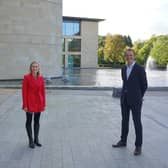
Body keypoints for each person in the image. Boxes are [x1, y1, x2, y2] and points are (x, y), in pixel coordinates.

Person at [112, 48, 148, 155]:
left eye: (131, 55)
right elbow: (125, 83)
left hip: (136, 101)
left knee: (137, 122)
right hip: (125, 100)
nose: (129, 57)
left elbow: (144, 85)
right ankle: (123, 141)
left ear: (134, 56)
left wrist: (138, 96)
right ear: (125, 57)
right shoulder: (123, 68)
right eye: (127, 55)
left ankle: (138, 146)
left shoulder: (139, 69)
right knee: (124, 121)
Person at [22, 61, 46, 148]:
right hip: (29, 102)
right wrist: (25, 105)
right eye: (33, 66)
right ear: (30, 68)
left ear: (38, 68)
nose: (35, 68)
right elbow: (24, 92)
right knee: (29, 121)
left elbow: (43, 91)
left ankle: (36, 139)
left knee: (37, 121)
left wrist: (43, 103)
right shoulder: (26, 77)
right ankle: (30, 140)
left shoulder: (41, 78)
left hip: (39, 102)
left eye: (36, 66)